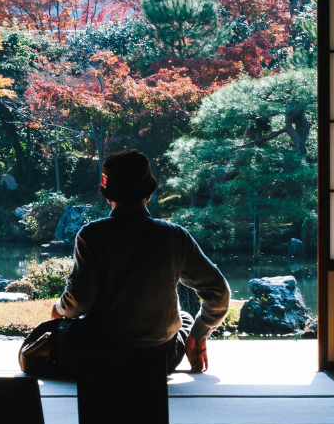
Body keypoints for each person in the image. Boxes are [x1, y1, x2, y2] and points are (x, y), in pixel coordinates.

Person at [51, 149, 230, 374]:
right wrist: (199, 333)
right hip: (158, 359)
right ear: (149, 193)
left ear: (108, 195)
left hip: (100, 357)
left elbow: (78, 301)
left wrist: (58, 308)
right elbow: (219, 292)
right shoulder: (174, 236)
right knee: (183, 317)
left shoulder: (92, 235)